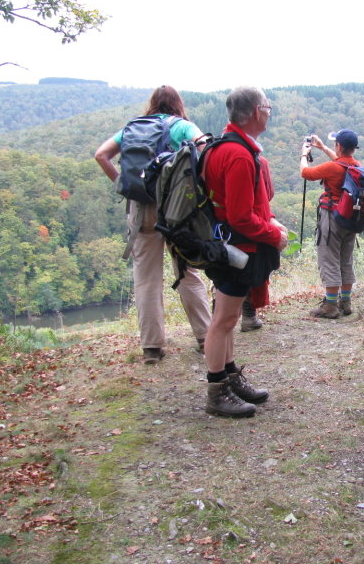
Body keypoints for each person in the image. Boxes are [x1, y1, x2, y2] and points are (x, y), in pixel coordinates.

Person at [94, 85, 211, 365]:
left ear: (152, 105)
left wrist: (124, 186)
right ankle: (206, 337)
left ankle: (152, 347)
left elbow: (101, 155)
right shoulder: (182, 126)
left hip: (140, 209)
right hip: (175, 208)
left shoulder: (133, 128)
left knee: (146, 278)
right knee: (186, 270)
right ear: (177, 104)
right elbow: (204, 147)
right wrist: (196, 187)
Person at [201, 86, 288, 418]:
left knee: (229, 317)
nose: (269, 111)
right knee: (223, 319)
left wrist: (268, 220)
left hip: (226, 244)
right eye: (267, 106)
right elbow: (239, 217)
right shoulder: (237, 154)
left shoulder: (225, 146)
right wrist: (273, 235)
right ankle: (216, 392)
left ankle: (230, 376)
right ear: (255, 111)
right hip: (236, 249)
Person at [300, 129, 361, 319]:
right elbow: (341, 163)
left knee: (329, 258)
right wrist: (324, 147)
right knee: (345, 259)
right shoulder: (357, 166)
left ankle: (330, 305)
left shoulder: (331, 168)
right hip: (351, 218)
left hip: (332, 216)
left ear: (339, 146)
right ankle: (346, 301)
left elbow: (305, 172)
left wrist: (304, 154)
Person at [240, 156, 274, 332]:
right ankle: (248, 315)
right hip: (254, 221)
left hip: (220, 225)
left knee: (225, 268)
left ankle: (219, 315)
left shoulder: (213, 155)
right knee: (253, 267)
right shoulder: (259, 161)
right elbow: (268, 194)